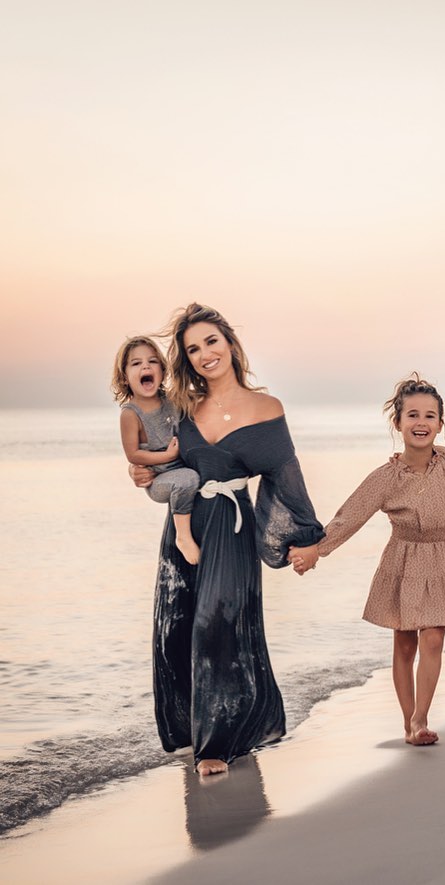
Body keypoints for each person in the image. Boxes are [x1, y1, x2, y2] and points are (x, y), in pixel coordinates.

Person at [130, 303, 325, 776]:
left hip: (232, 529)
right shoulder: (182, 408)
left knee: (216, 626)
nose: (203, 355)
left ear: (231, 344)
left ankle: (217, 743)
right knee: (177, 629)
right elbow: (161, 458)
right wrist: (142, 469)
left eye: (210, 342)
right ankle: (191, 731)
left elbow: (284, 477)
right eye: (192, 349)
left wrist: (305, 539)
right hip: (185, 529)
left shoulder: (267, 409)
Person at [290, 374, 445, 746]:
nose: (422, 423)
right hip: (405, 560)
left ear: (440, 424)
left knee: (433, 639)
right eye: (413, 415)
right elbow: (349, 516)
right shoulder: (386, 477)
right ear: (398, 423)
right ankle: (408, 722)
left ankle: (420, 719)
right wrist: (316, 550)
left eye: (430, 416)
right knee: (405, 644)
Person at [112, 335, 201, 565]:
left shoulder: (173, 400)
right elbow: (133, 454)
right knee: (187, 479)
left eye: (152, 361)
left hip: (181, 470)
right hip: (159, 480)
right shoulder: (130, 414)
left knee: (190, 478)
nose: (145, 366)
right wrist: (167, 456)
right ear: (125, 376)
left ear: (162, 370)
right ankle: (183, 537)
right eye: (136, 363)